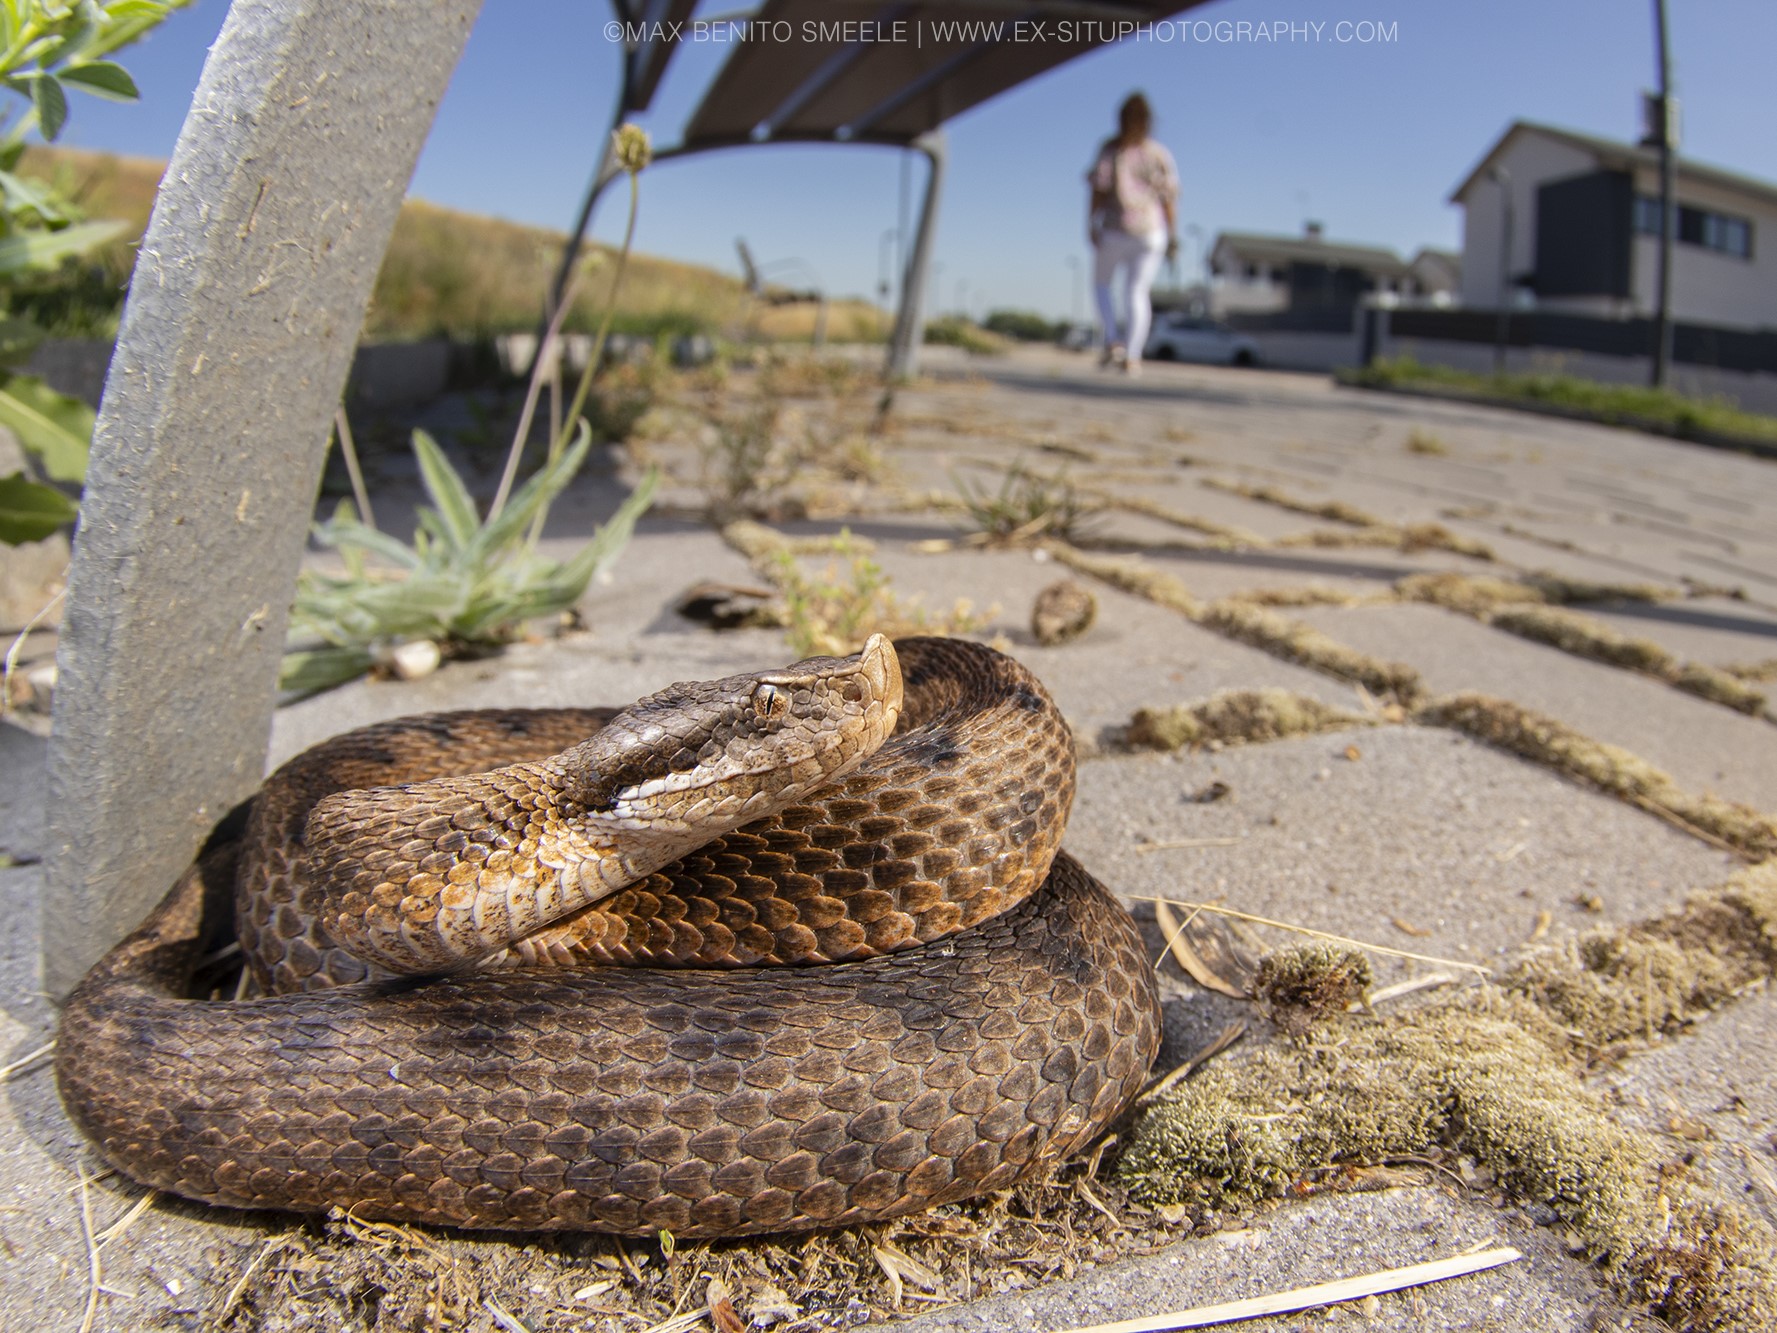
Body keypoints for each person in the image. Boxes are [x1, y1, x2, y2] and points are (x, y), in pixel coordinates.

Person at [1086, 93, 1179, 376]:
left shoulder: (1111, 149)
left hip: (1116, 227)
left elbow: (1098, 190)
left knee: (1102, 284)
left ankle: (1114, 340)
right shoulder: (1159, 154)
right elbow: (1168, 199)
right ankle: (1133, 356)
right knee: (1137, 292)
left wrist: (1091, 222)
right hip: (1151, 230)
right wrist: (1172, 234)